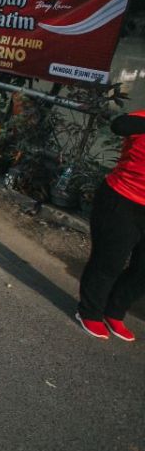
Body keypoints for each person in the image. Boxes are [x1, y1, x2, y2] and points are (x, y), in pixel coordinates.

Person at [75, 110, 145, 341]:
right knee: (108, 263)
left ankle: (114, 311)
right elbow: (119, 125)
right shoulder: (140, 118)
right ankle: (90, 312)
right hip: (123, 200)